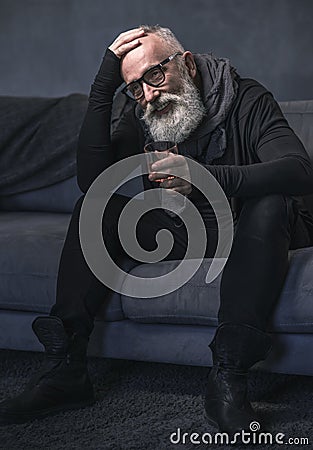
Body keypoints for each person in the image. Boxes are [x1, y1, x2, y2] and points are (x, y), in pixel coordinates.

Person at [1, 25, 313, 434]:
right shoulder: (145, 113)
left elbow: (298, 171)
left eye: (155, 75)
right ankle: (65, 371)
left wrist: (204, 176)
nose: (149, 94)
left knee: (270, 202)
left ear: (185, 63)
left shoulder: (246, 98)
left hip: (257, 229)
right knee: (96, 207)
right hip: (190, 229)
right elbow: (93, 181)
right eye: (134, 87)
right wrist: (102, 87)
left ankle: (229, 379)